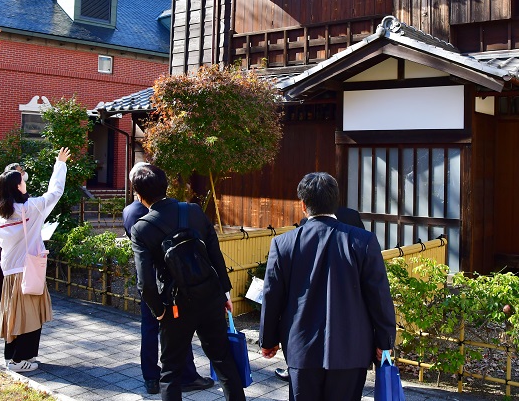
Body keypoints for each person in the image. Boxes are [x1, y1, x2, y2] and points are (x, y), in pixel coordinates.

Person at [260, 172, 396, 401]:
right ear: (336, 202)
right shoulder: (363, 241)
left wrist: (268, 340)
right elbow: (379, 296)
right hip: (351, 349)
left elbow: (272, 295)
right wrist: (385, 341)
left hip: (301, 348)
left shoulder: (283, 244)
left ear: (303, 205)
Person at [128, 163, 245, 401]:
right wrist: (225, 293)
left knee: (171, 371)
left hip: (176, 306)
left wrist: (158, 312)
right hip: (210, 296)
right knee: (223, 360)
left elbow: (146, 283)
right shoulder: (193, 211)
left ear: (139, 196)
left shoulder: (141, 229)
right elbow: (215, 254)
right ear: (166, 185)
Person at [122, 164, 214, 395]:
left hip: (149, 282)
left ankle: (151, 378)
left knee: (150, 330)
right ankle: (185, 375)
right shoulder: (150, 213)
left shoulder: (128, 211)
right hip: (167, 282)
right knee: (177, 330)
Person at [0, 147, 70, 373]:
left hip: (10, 271)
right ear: (18, 186)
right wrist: (60, 164)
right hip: (29, 270)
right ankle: (20, 360)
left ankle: (12, 357)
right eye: (22, 181)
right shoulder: (31, 208)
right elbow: (55, 192)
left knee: (13, 314)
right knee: (30, 317)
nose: (25, 183)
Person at [273, 203, 367, 382]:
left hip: (312, 292)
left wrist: (269, 339)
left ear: (304, 203)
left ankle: (293, 367)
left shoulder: (302, 226)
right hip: (347, 290)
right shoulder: (353, 217)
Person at [0, 162, 30, 303]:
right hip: (14, 243)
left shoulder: (4, 200)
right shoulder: (12, 201)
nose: (23, 175)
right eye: (20, 173)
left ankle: (4, 295)